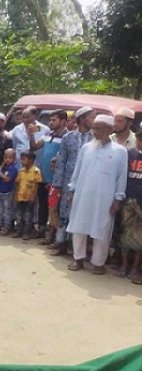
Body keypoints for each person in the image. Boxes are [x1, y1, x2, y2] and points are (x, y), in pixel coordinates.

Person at [67, 115, 128, 275]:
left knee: (102, 229)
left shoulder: (120, 151)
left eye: (99, 128)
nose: (94, 131)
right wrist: (72, 190)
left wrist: (118, 198)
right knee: (79, 226)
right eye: (94, 128)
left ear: (109, 130)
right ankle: (78, 258)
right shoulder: (86, 148)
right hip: (83, 195)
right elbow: (77, 171)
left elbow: (121, 177)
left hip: (105, 198)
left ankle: (98, 262)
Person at [50, 106, 96, 256]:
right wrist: (57, 184)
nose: (94, 121)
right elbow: (61, 161)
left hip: (87, 183)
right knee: (64, 212)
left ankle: (78, 249)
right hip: (68, 182)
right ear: (82, 119)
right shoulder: (68, 137)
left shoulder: (95, 139)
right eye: (92, 117)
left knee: (83, 214)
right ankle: (61, 244)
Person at [30, 110, 68, 242]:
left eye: (54, 120)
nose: (51, 122)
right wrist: (31, 134)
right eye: (50, 120)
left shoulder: (67, 137)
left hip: (55, 180)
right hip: (43, 177)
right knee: (42, 205)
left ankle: (52, 236)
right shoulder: (47, 134)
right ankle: (41, 231)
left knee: (54, 208)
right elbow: (34, 146)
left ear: (63, 121)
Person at [118, 131, 142, 283]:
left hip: (141, 203)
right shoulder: (129, 154)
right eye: (139, 139)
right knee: (124, 234)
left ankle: (135, 267)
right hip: (128, 200)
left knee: (140, 238)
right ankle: (124, 264)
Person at [12, 152, 42, 240]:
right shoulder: (21, 171)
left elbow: (37, 185)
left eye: (24, 159)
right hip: (21, 196)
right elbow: (17, 183)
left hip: (29, 197)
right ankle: (18, 231)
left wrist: (34, 196)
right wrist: (16, 195)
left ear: (31, 160)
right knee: (19, 215)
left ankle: (26, 233)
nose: (22, 161)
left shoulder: (36, 171)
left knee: (28, 216)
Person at [0, 148, 18, 235]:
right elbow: (0, 179)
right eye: (5, 157)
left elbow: (7, 179)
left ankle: (6, 227)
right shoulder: (4, 167)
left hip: (8, 193)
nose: (7, 159)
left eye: (10, 157)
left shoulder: (13, 168)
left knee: (7, 211)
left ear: (14, 158)